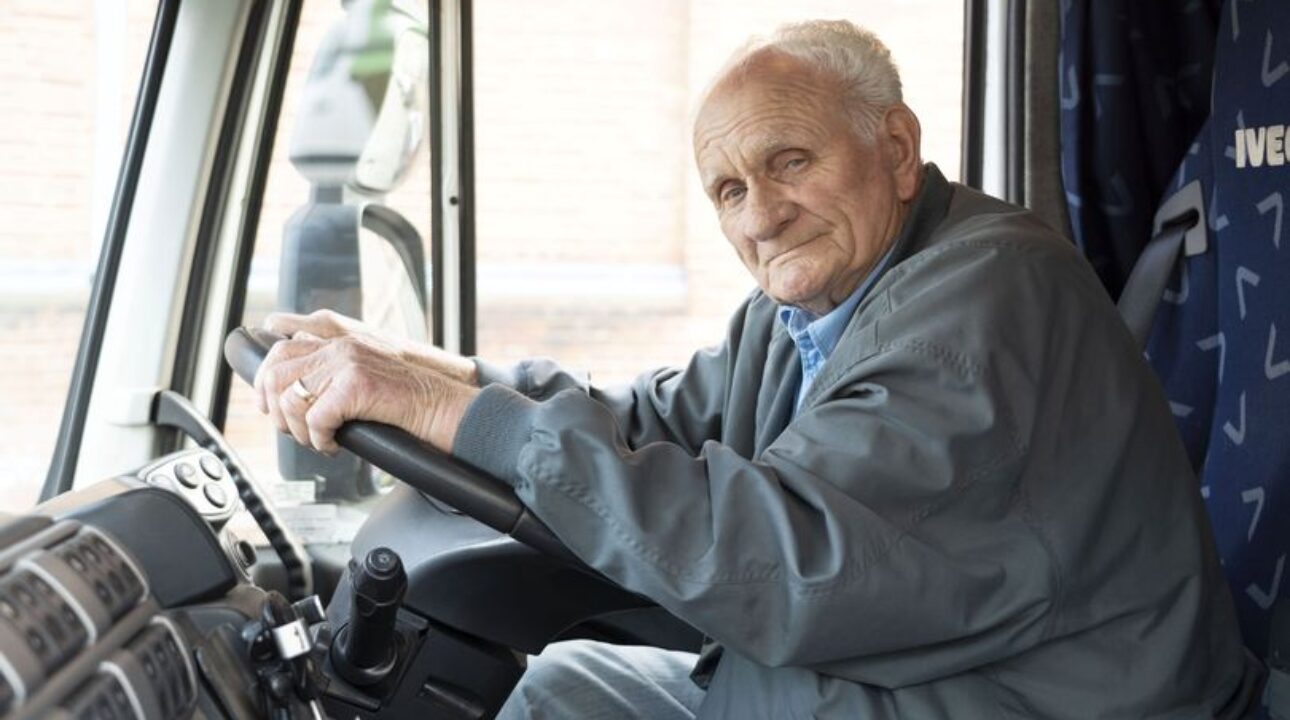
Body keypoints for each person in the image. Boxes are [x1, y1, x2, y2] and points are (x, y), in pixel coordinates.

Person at [255, 20, 1262, 720]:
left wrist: (448, 411)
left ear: (898, 150)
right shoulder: (821, 298)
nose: (758, 215)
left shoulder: (985, 305)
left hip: (1030, 701)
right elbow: (655, 421)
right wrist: (432, 375)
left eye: (789, 164)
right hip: (899, 687)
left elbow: (782, 562)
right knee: (566, 686)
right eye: (729, 189)